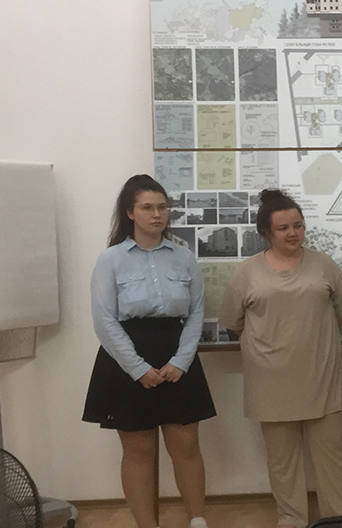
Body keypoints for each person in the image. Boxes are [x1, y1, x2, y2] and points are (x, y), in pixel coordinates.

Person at [219, 189, 342, 528]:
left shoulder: (324, 264)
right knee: (282, 460)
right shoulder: (247, 272)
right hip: (269, 381)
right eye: (283, 228)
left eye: (298, 225)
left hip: (320, 377)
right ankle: (292, 519)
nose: (293, 233)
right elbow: (233, 322)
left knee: (335, 455)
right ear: (266, 232)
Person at [83, 174, 215, 528]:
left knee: (186, 446)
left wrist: (181, 361)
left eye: (162, 207)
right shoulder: (110, 259)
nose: (157, 214)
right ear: (130, 212)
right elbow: (104, 320)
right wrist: (137, 367)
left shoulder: (183, 257)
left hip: (177, 354)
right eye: (147, 208)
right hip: (127, 357)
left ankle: (197, 521)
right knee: (138, 450)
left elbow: (196, 313)